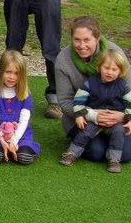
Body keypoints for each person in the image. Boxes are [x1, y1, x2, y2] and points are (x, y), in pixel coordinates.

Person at [56, 16, 131, 164]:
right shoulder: (63, 60)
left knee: (126, 154)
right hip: (81, 119)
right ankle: (77, 147)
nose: (81, 45)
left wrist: (123, 117)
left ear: (97, 39)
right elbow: (64, 101)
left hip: (117, 118)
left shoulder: (115, 53)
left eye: (87, 40)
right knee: (97, 153)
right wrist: (92, 115)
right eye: (77, 39)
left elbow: (129, 92)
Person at [59, 49, 130, 173]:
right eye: (106, 68)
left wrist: (128, 119)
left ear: (120, 71)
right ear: (99, 67)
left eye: (114, 69)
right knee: (85, 130)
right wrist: (79, 115)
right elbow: (79, 99)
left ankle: (113, 160)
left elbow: (130, 103)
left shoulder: (122, 86)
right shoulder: (91, 82)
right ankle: (72, 153)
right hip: (94, 118)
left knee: (119, 132)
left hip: (115, 121)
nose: (109, 72)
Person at [0, 50, 39, 165]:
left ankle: (14, 148)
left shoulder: (25, 94)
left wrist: (13, 141)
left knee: (25, 157)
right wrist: (1, 139)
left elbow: (24, 121)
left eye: (16, 73)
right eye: (8, 72)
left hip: (20, 134)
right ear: (0, 71)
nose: (11, 77)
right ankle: (3, 147)